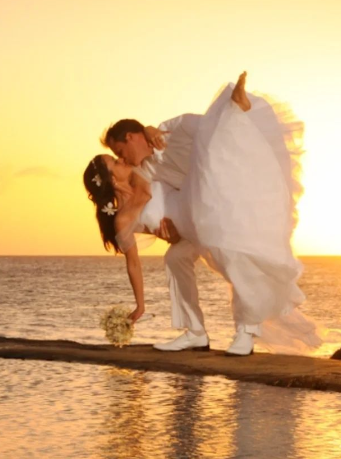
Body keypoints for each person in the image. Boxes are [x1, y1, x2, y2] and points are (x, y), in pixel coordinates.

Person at [84, 73, 320, 356]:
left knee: (234, 254)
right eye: (115, 159)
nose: (121, 159)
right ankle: (195, 332)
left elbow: (191, 136)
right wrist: (140, 305)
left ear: (133, 138)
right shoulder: (140, 175)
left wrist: (149, 129)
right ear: (109, 181)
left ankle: (247, 330)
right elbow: (134, 261)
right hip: (191, 225)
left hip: (215, 200)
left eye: (119, 152)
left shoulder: (165, 137)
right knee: (175, 257)